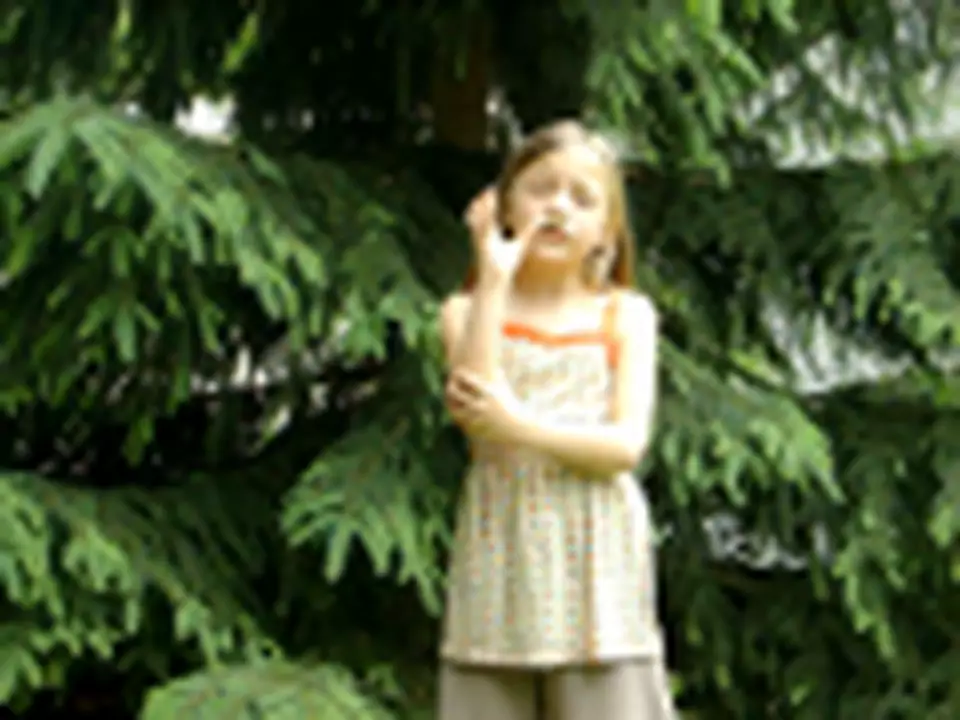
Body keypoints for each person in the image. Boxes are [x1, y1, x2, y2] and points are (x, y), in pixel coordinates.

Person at [436, 119, 678, 720]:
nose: (559, 208)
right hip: (499, 560)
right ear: (503, 205)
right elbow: (476, 410)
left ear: (607, 231)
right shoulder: (464, 311)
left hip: (598, 571)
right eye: (541, 188)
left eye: (583, 198)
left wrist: (518, 425)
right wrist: (494, 276)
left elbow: (624, 447)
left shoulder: (627, 315)